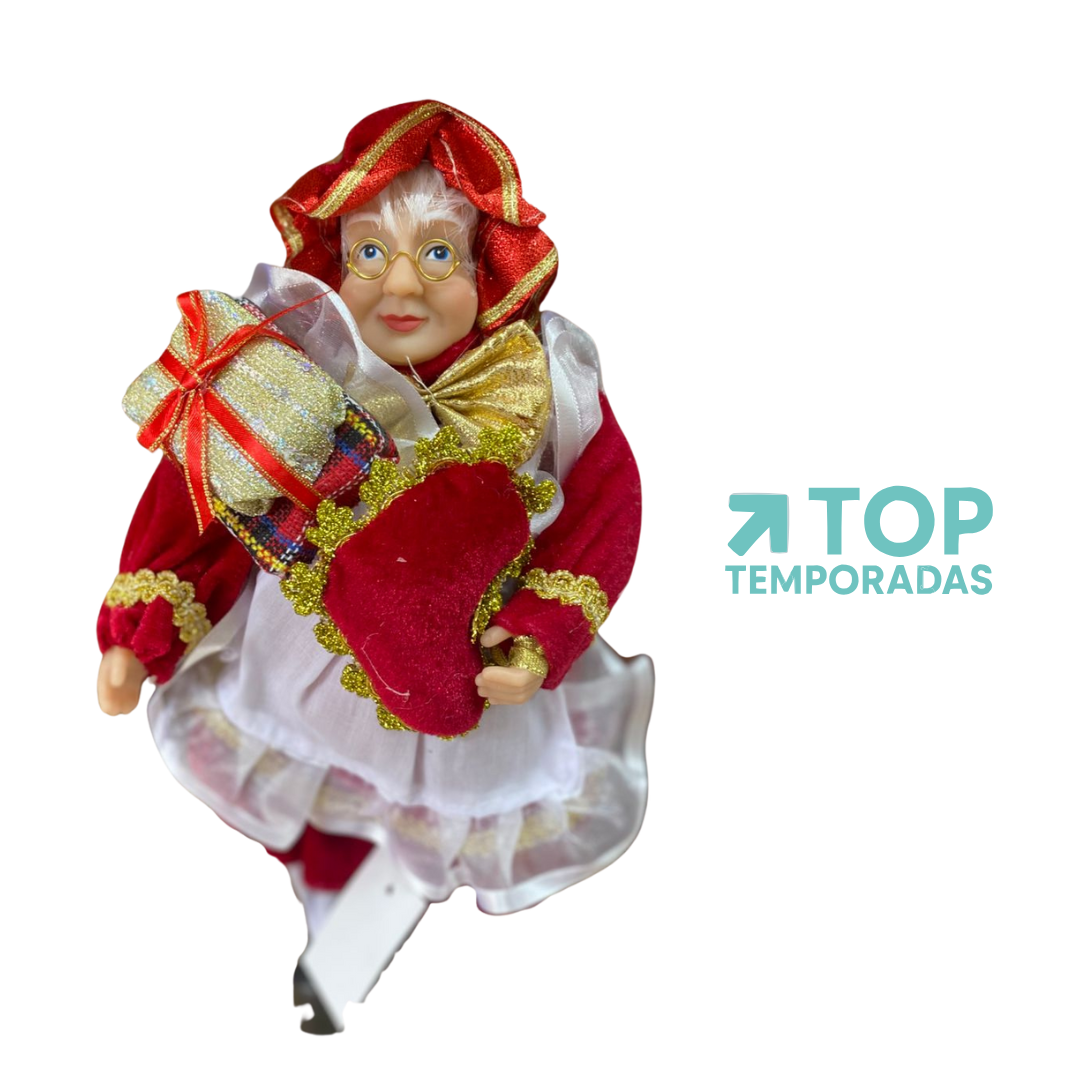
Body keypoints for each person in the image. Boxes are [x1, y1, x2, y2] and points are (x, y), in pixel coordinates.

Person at [97, 100, 653, 1025]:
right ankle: (333, 916)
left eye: (437, 256)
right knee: (317, 794)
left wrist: (537, 634)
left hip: (465, 671)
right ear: (334, 261)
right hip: (308, 652)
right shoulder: (293, 364)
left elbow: (603, 509)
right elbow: (199, 492)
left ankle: (357, 934)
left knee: (427, 824)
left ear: (487, 268)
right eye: (368, 254)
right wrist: (140, 630)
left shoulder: (540, 381)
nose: (401, 284)